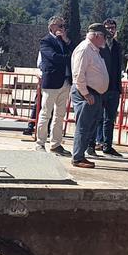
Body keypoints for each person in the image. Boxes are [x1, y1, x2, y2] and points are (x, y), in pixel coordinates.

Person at [70, 24, 110, 168]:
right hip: (86, 92)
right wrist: (85, 93)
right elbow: (78, 74)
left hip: (93, 93)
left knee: (89, 126)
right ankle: (78, 157)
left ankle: (81, 155)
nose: (105, 40)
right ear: (97, 35)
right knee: (84, 126)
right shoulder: (85, 49)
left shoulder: (94, 50)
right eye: (104, 36)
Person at [36, 16, 72, 156]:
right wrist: (69, 57)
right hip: (52, 82)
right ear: (51, 27)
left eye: (63, 26)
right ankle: (40, 143)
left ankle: (56, 144)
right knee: (46, 113)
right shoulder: (46, 41)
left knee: (59, 115)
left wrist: (66, 41)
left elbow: (73, 51)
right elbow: (53, 57)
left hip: (65, 82)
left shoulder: (64, 41)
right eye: (59, 26)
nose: (62, 28)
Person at [93, 18, 124, 157]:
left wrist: (119, 87)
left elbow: (118, 67)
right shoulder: (99, 46)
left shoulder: (117, 46)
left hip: (114, 88)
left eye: (113, 27)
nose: (111, 30)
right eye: (108, 28)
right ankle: (93, 143)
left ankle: (107, 145)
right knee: (96, 117)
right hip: (101, 87)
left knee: (110, 119)